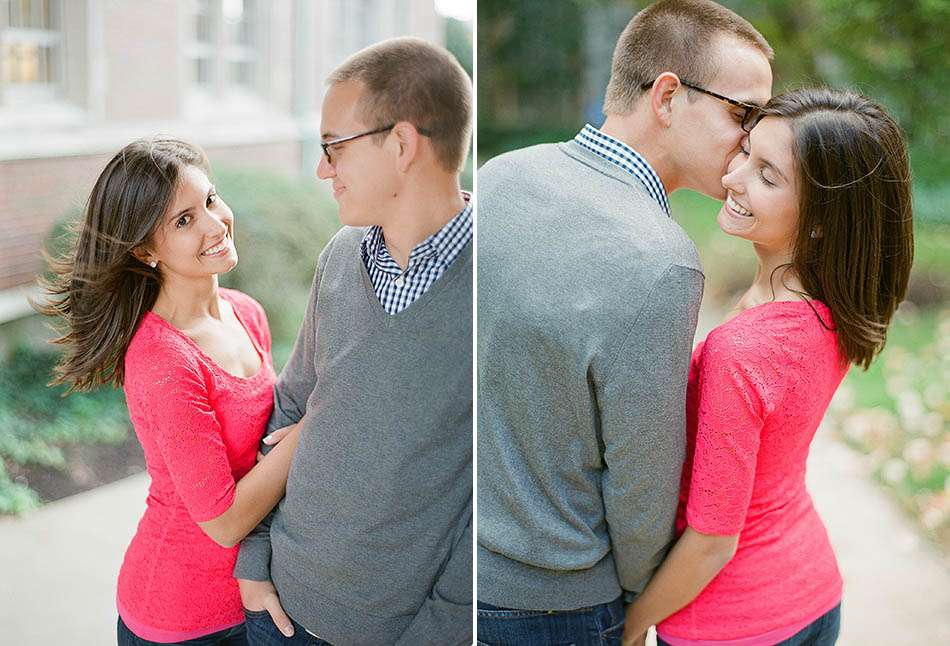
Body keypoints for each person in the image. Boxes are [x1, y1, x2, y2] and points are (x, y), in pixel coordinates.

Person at [476, 1, 772, 643]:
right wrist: (638, 607)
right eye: (743, 114)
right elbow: (642, 485)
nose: (751, 140)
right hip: (556, 606)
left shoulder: (499, 176)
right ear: (668, 96)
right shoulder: (660, 260)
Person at [621, 88, 914, 646]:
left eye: (768, 176)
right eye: (746, 153)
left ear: (823, 221)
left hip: (735, 625)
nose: (733, 178)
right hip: (813, 593)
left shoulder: (746, 350)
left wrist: (630, 629)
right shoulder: (834, 312)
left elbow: (713, 538)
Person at [233, 37, 473, 646]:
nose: (322, 169)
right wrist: (254, 566)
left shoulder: (495, 285)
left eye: (333, 148)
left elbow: (490, 501)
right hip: (278, 616)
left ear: (401, 144)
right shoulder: (340, 257)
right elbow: (290, 408)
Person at [39, 138, 301, 645]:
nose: (213, 222)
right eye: (183, 221)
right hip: (181, 618)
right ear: (144, 250)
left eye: (209, 199)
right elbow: (223, 521)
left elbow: (263, 451)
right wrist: (311, 433)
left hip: (251, 596)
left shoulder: (246, 312)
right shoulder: (164, 359)